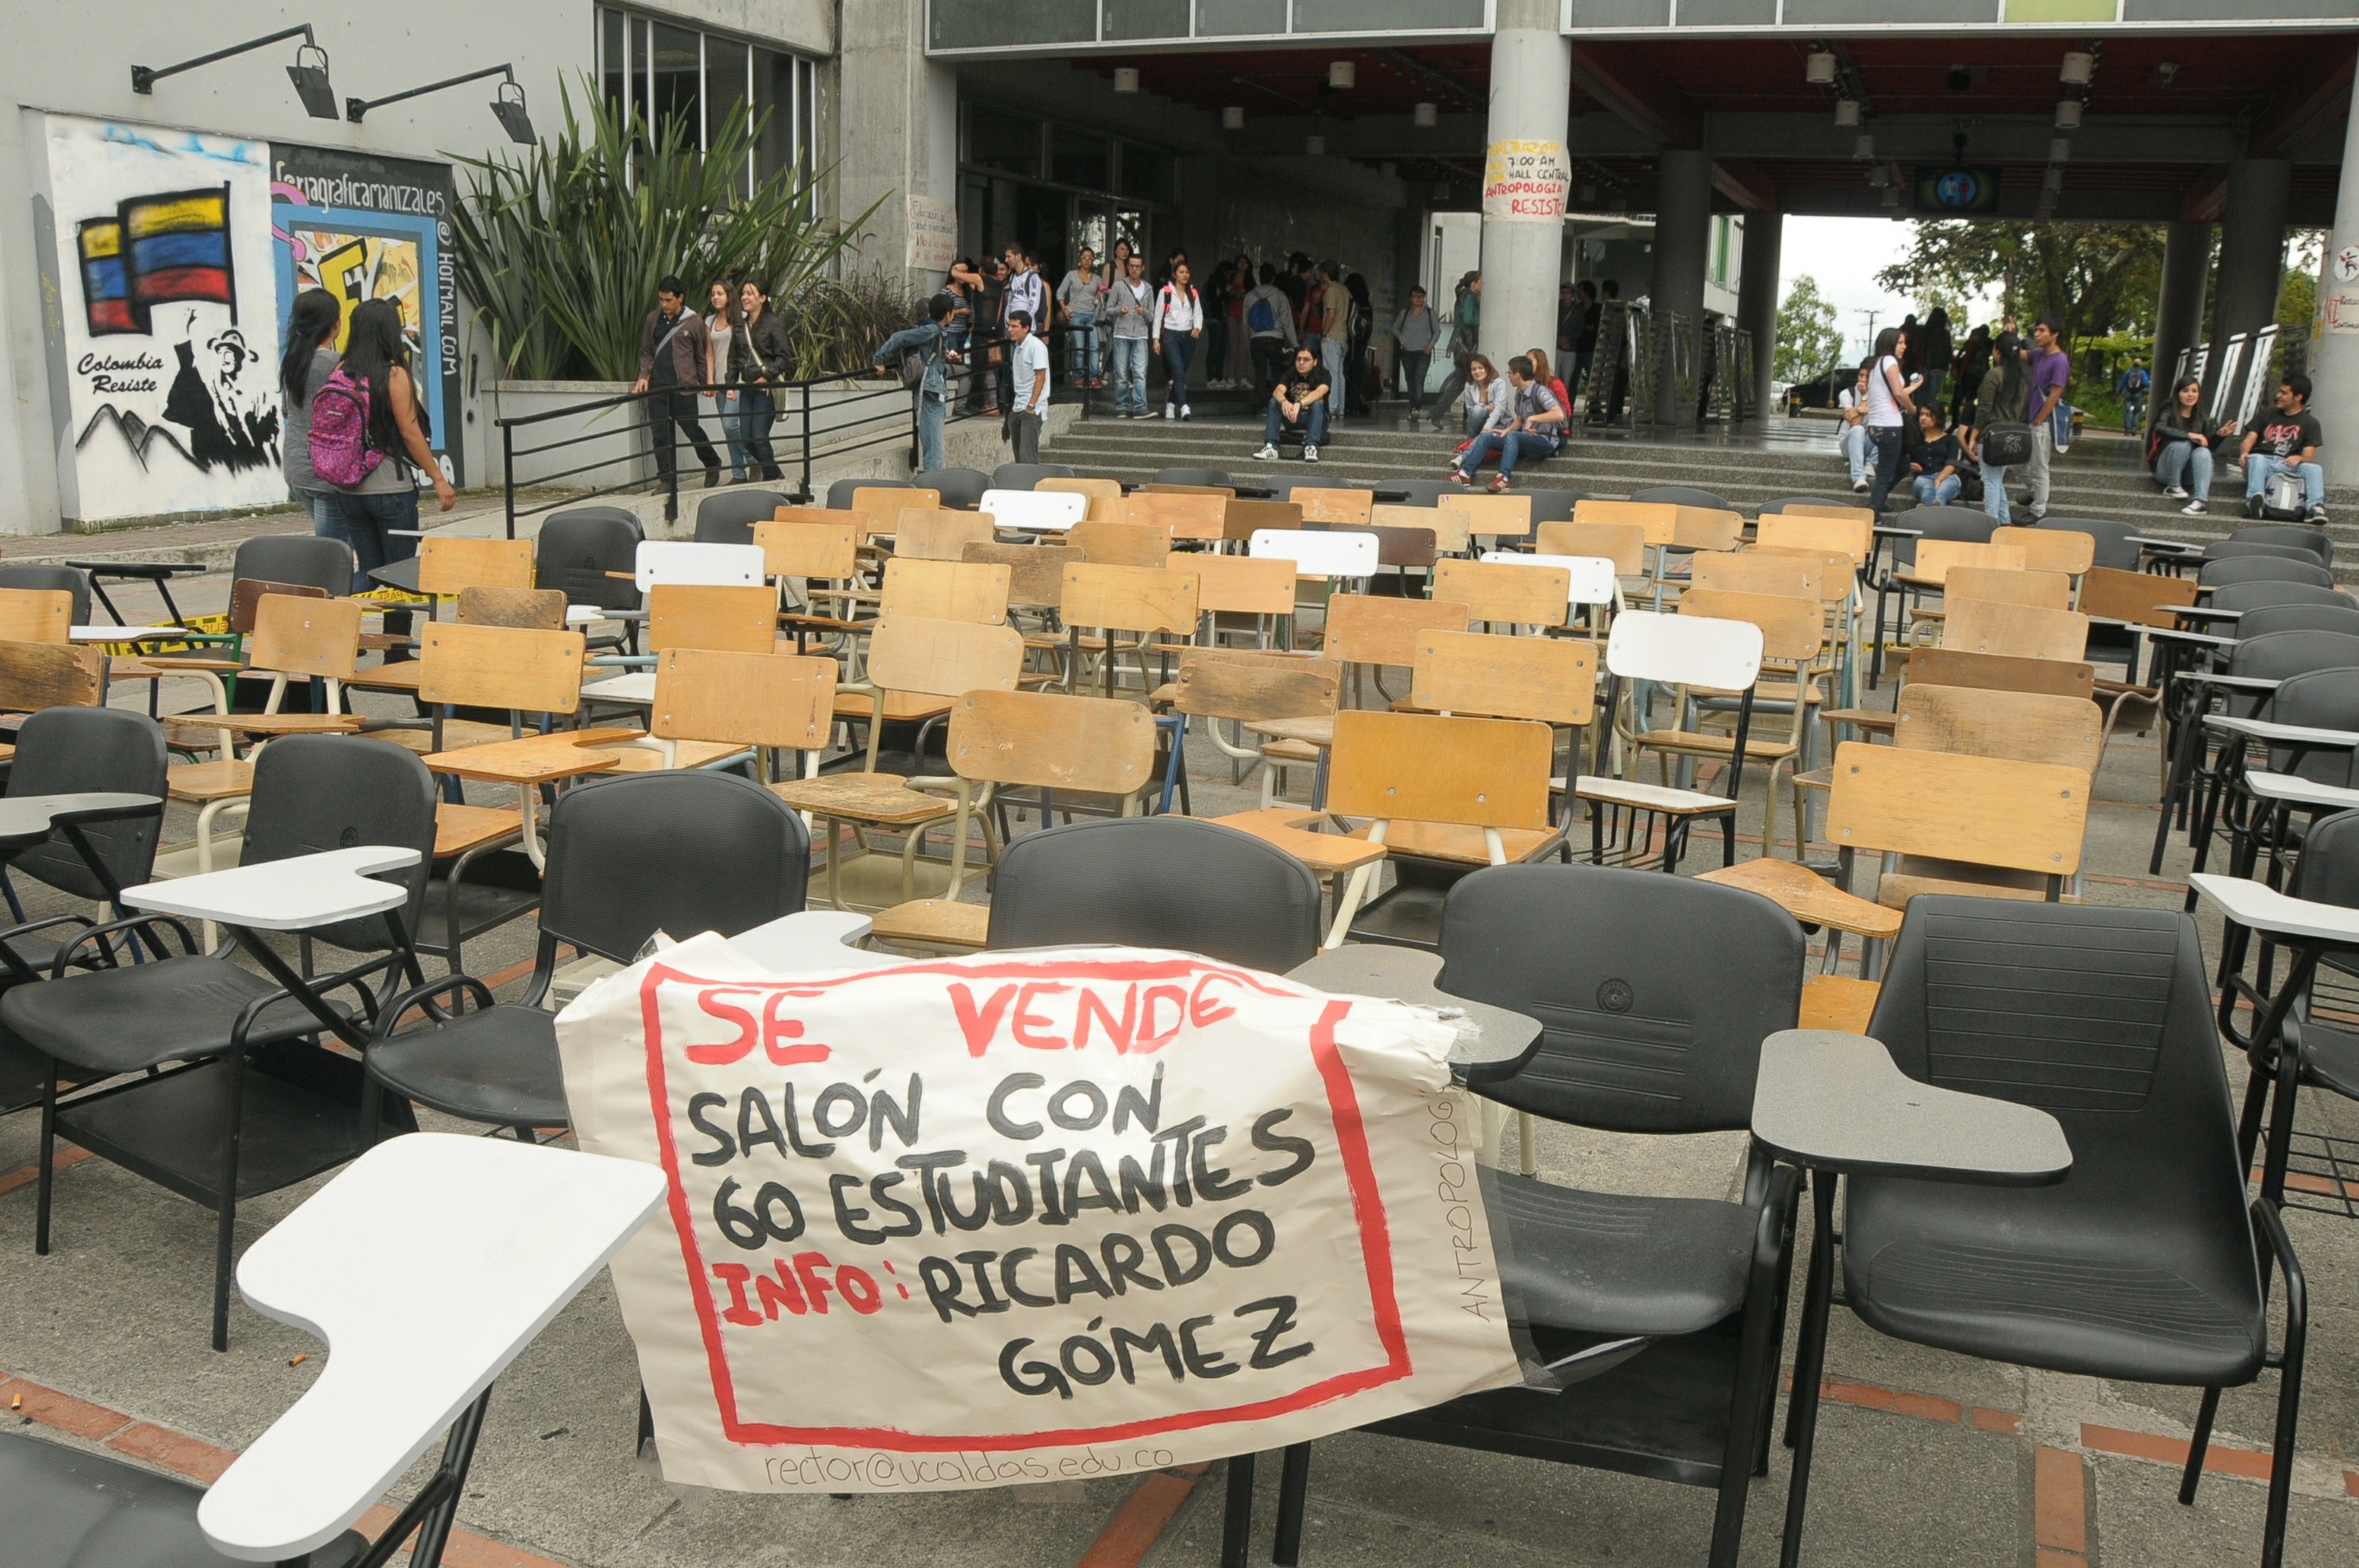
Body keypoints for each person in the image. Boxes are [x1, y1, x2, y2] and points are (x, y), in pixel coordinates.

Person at [328, 298, 453, 639]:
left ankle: (339, 627)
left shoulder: (340, 370)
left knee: (369, 570)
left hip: (349, 489)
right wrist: (438, 478)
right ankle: (396, 647)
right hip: (390, 488)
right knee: (400, 574)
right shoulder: (394, 374)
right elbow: (410, 432)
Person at [632, 275, 723, 493]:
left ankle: (712, 462)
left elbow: (701, 356)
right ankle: (667, 479)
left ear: (680, 298)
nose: (665, 304)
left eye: (669, 300)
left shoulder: (693, 322)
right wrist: (643, 376)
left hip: (684, 387)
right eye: (661, 300)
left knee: (692, 428)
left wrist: (705, 383)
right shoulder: (653, 319)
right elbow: (647, 351)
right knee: (660, 435)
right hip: (658, 386)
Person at [278, 287, 346, 540]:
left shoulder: (293, 361)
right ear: (336, 324)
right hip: (327, 472)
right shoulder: (338, 364)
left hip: (296, 466)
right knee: (334, 547)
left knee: (331, 542)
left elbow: (288, 410)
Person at [870, 294, 959, 475]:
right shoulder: (931, 330)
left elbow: (929, 353)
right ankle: (930, 488)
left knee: (935, 450)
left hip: (935, 393)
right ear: (948, 314)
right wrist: (879, 359)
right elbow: (898, 338)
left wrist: (946, 355)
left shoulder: (934, 330)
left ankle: (931, 486)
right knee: (934, 453)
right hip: (929, 394)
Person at [1452, 355, 1564, 492]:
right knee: (1487, 436)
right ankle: (1465, 474)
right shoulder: (1520, 394)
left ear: (1518, 375)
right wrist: (1507, 430)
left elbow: (1559, 414)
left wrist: (1532, 419)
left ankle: (1504, 478)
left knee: (1513, 435)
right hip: (1525, 439)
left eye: (1510, 373)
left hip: (1544, 442)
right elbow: (1520, 419)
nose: (1509, 376)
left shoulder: (1541, 391)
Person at [2238, 373, 2328, 524]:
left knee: (2314, 469)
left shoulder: (2311, 423)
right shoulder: (2266, 414)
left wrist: (2299, 458)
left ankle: (2315, 508)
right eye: (2280, 391)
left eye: (2284, 393)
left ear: (2298, 397)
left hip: (2286, 464)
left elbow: (2309, 456)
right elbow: (2249, 439)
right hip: (2262, 463)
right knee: (2256, 458)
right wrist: (2244, 453)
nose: (2278, 396)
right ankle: (2255, 502)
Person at [732, 278, 792, 482]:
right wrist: (730, 382)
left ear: (763, 298)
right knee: (746, 439)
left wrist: (767, 376)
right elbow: (734, 357)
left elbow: (784, 357)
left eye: (750, 293)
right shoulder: (740, 326)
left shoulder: (774, 324)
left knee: (759, 436)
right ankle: (775, 474)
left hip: (766, 389)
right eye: (743, 293)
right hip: (746, 386)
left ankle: (770, 478)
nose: (745, 297)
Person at [2152, 374, 2223, 516]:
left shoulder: (2201, 417)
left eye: (2194, 391)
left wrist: (2219, 436)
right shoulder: (2168, 411)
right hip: (2166, 470)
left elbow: (2208, 447)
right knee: (2183, 444)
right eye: (2185, 391)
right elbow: (2160, 428)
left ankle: (2201, 502)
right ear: (2178, 394)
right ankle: (2173, 486)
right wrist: (2189, 435)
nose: (2190, 395)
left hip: (2189, 475)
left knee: (2203, 452)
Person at [2021, 315, 2069, 522]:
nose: (2037, 334)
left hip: (2044, 423)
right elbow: (2022, 354)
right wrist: (2010, 334)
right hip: (2031, 419)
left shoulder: (2060, 361)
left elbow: (2055, 394)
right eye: (2036, 330)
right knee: (2021, 463)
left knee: (2040, 467)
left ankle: (2038, 510)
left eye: (2042, 330)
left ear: (2055, 334)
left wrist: (2040, 419)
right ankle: (2034, 492)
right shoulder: (2039, 354)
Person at [1862, 325, 1914, 514]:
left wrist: (1913, 387)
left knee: (1902, 466)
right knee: (1886, 472)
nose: (1904, 347)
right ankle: (1874, 510)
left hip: (1876, 425)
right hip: (1889, 426)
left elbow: (1892, 393)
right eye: (1900, 343)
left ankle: (1879, 498)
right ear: (1890, 343)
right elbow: (1899, 393)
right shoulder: (1890, 361)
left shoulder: (1876, 364)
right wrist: (1911, 408)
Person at [1254, 343, 1331, 463]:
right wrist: (1284, 402)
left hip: (1317, 418)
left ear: (1315, 362)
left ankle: (1311, 447)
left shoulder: (1324, 374)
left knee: (1316, 404)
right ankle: (1271, 447)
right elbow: (1278, 391)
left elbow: (1319, 392)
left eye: (1306, 360)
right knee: (1274, 402)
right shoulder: (1291, 372)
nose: (1301, 363)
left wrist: (1298, 404)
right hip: (1294, 417)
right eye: (1298, 359)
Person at [704, 280, 747, 484]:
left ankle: (755, 460)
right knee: (726, 429)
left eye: (720, 293)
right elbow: (709, 353)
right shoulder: (710, 321)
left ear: (729, 295)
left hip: (737, 380)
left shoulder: (742, 318)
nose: (715, 297)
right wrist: (710, 380)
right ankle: (739, 473)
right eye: (713, 294)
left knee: (731, 425)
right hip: (719, 381)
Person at [1105, 252, 1155, 418]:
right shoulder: (1119, 286)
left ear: (1143, 268)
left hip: (1141, 335)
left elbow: (1152, 316)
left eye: (1137, 267)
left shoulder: (1148, 289)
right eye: (1131, 266)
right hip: (1122, 334)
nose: (1134, 269)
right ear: (1127, 267)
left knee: (1140, 373)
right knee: (1121, 373)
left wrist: (1144, 311)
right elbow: (1108, 310)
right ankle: (1122, 406)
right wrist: (1120, 310)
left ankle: (1140, 406)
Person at [1153, 260, 1202, 420]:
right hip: (1170, 336)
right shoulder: (1166, 291)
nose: (1185, 275)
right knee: (1178, 371)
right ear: (1174, 274)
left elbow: (1198, 313)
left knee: (1180, 374)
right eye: (1181, 272)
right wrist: (1156, 339)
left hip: (1188, 337)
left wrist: (1197, 328)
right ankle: (1184, 406)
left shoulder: (1193, 292)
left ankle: (1171, 403)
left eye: (1187, 272)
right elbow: (1158, 316)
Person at [1432, 271, 1481, 425]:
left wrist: (1452, 345)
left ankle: (1437, 413)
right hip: (1469, 348)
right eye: (1481, 282)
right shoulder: (1470, 297)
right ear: (1474, 283)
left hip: (1462, 348)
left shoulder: (1462, 296)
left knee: (1461, 382)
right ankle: (1470, 416)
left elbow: (1458, 325)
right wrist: (1484, 318)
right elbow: (1468, 319)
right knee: (1470, 382)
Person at [1005, 309, 1051, 464]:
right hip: (1018, 406)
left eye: (1014, 326)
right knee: (1019, 457)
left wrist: (1031, 405)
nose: (1010, 329)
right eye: (1009, 325)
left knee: (1027, 458)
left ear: (1026, 328)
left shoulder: (1036, 346)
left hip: (1031, 408)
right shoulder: (1018, 347)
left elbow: (1041, 377)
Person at [1243, 263, 1296, 396]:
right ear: (1273, 278)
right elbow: (1287, 321)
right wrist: (1294, 343)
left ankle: (1262, 403)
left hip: (1256, 338)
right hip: (1275, 338)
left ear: (1259, 277)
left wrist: (1248, 340)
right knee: (1277, 373)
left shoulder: (1249, 296)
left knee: (1260, 374)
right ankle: (1275, 402)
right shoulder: (1280, 295)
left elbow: (1245, 321)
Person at [1055, 247, 1103, 390]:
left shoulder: (1097, 278)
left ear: (1093, 260)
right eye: (1084, 257)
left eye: (1090, 258)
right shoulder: (1071, 275)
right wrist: (1064, 308)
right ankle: (1080, 378)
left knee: (1094, 347)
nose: (1087, 260)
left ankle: (1094, 377)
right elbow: (1060, 293)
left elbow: (1099, 298)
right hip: (1075, 315)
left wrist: (1099, 297)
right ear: (1079, 259)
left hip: (1092, 315)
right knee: (1079, 348)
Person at [1312, 261, 1350, 425]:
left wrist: (1324, 333)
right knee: (1339, 373)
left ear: (1326, 273)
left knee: (1332, 372)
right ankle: (1340, 407)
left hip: (1332, 336)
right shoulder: (1344, 290)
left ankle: (1332, 407)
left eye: (1321, 272)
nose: (1320, 275)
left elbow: (1331, 314)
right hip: (1343, 336)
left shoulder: (1331, 291)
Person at [1390, 286, 1438, 413]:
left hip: (1423, 352)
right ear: (1410, 298)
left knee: (1419, 380)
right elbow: (1395, 328)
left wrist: (1430, 345)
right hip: (1407, 352)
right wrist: (1402, 339)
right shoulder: (1404, 313)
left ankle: (1415, 407)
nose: (1418, 299)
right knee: (1410, 380)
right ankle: (1413, 404)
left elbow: (1437, 331)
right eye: (1415, 296)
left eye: (1421, 296)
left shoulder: (1430, 313)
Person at [1908, 405, 1963, 506]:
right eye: (1921, 414)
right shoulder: (1916, 440)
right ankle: (1934, 510)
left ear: (1938, 417)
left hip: (1947, 476)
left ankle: (1928, 509)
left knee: (1941, 492)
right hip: (1923, 476)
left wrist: (1939, 479)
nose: (1923, 418)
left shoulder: (1951, 440)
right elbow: (1910, 461)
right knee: (1926, 490)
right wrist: (1913, 467)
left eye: (1928, 415)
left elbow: (1951, 464)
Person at [1836, 359, 1873, 493]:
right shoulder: (1847, 394)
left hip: (1869, 444)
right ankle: (1858, 477)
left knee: (1886, 428)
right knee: (1858, 429)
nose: (1863, 380)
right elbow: (1855, 422)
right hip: (1848, 443)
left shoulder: (1878, 396)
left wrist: (1856, 410)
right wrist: (1864, 398)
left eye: (1867, 377)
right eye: (1861, 375)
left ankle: (1871, 463)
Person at [1221, 254, 1255, 387]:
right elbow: (1224, 293)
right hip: (1231, 313)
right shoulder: (1230, 277)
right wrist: (1232, 293)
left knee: (1244, 347)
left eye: (1245, 262)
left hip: (1244, 314)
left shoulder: (1250, 280)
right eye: (1240, 262)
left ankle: (1243, 377)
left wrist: (1242, 295)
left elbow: (1253, 296)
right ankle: (1230, 377)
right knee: (1233, 345)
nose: (1243, 265)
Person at [1571, 280, 1600, 407]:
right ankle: (1570, 405)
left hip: (1591, 347)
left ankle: (1594, 406)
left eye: (1580, 290)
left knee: (1592, 379)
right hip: (1577, 347)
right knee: (1573, 379)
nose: (1578, 293)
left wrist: (1591, 328)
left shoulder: (1597, 309)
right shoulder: (1577, 308)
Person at [1527, 348, 1572, 421]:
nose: (1526, 365)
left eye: (1529, 361)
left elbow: (1567, 412)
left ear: (1540, 362)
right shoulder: (1525, 383)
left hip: (1553, 424)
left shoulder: (1555, 384)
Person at [2117, 358, 2150, 434]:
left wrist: (2119, 392)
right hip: (2138, 394)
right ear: (2140, 364)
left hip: (2128, 394)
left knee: (2128, 411)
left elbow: (2122, 383)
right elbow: (2146, 383)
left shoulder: (2128, 372)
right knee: (2137, 411)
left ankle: (2127, 429)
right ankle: (2134, 428)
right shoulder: (2142, 372)